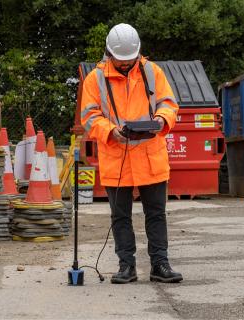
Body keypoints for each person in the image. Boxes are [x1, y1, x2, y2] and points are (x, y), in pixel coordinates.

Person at [80, 23, 183, 284]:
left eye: (130, 60)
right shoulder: (95, 79)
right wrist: (110, 131)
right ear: (109, 53)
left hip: (150, 155)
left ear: (138, 53)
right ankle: (127, 266)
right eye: (120, 60)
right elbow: (89, 117)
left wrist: (161, 120)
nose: (126, 65)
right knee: (120, 216)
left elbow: (169, 103)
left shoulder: (152, 71)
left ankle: (160, 265)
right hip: (117, 156)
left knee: (157, 213)